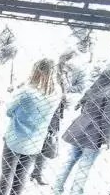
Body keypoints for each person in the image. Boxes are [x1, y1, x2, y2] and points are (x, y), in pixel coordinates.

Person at [0, 58, 61, 195]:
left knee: (7, 174)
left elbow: (9, 111)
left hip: (16, 138)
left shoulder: (27, 91)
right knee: (22, 176)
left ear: (36, 70)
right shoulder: (56, 92)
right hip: (36, 140)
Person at [49, 62, 110, 195]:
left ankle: (55, 192)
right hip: (94, 133)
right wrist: (105, 140)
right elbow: (107, 119)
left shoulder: (95, 88)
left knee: (69, 161)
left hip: (80, 127)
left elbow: (81, 105)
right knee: (84, 166)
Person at [32, 49, 86, 185]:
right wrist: (61, 96)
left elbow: (76, 88)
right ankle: (33, 171)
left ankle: (37, 172)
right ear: (66, 59)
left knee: (49, 138)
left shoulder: (67, 72)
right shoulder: (55, 71)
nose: (76, 63)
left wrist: (65, 96)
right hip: (48, 109)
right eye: (74, 60)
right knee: (42, 137)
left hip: (57, 111)